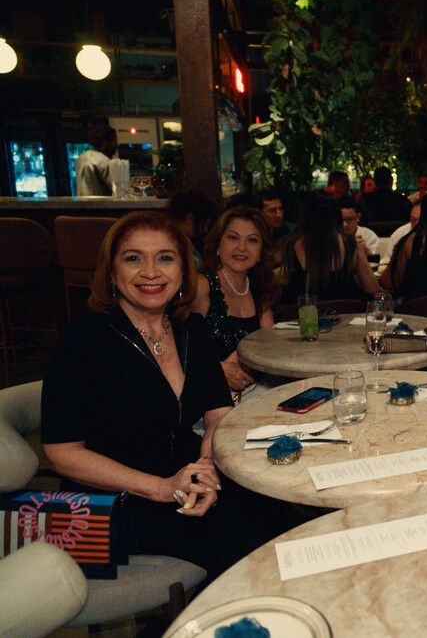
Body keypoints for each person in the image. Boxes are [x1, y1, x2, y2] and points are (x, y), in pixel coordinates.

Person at [40, 211, 276, 578]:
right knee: (259, 549)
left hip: (191, 479)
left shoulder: (193, 330)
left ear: (183, 271)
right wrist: (163, 488)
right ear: (112, 271)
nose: (150, 272)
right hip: (118, 502)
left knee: (287, 516)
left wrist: (206, 469)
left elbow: (218, 414)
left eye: (165, 258)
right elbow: (61, 454)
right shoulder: (81, 340)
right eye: (133, 258)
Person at [191, 206, 278, 393]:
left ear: (262, 250)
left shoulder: (259, 288)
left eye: (252, 240)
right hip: (207, 395)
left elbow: (271, 345)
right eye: (233, 238)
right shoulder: (202, 286)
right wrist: (216, 369)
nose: (242, 248)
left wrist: (242, 355)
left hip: (251, 393)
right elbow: (176, 349)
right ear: (218, 243)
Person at [278, 191, 379, 305]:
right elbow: (372, 288)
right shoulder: (350, 244)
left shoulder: (291, 244)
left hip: (304, 313)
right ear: (336, 215)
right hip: (344, 312)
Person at [166, 189, 217, 268]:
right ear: (190, 218)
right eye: (204, 224)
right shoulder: (174, 243)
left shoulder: (184, 239)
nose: (205, 230)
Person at [75, 124, 117, 197]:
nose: (116, 145)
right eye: (114, 141)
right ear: (106, 142)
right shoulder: (103, 161)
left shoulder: (81, 158)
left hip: (81, 202)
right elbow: (118, 189)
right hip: (100, 203)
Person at [340, 198, 380, 266]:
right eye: (341, 220)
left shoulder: (369, 236)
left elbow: (374, 264)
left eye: (349, 219)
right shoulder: (333, 235)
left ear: (358, 217)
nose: (344, 224)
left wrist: (365, 253)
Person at [382, 202, 421, 268]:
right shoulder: (400, 233)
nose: (417, 224)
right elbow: (386, 262)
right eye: (413, 220)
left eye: (420, 221)